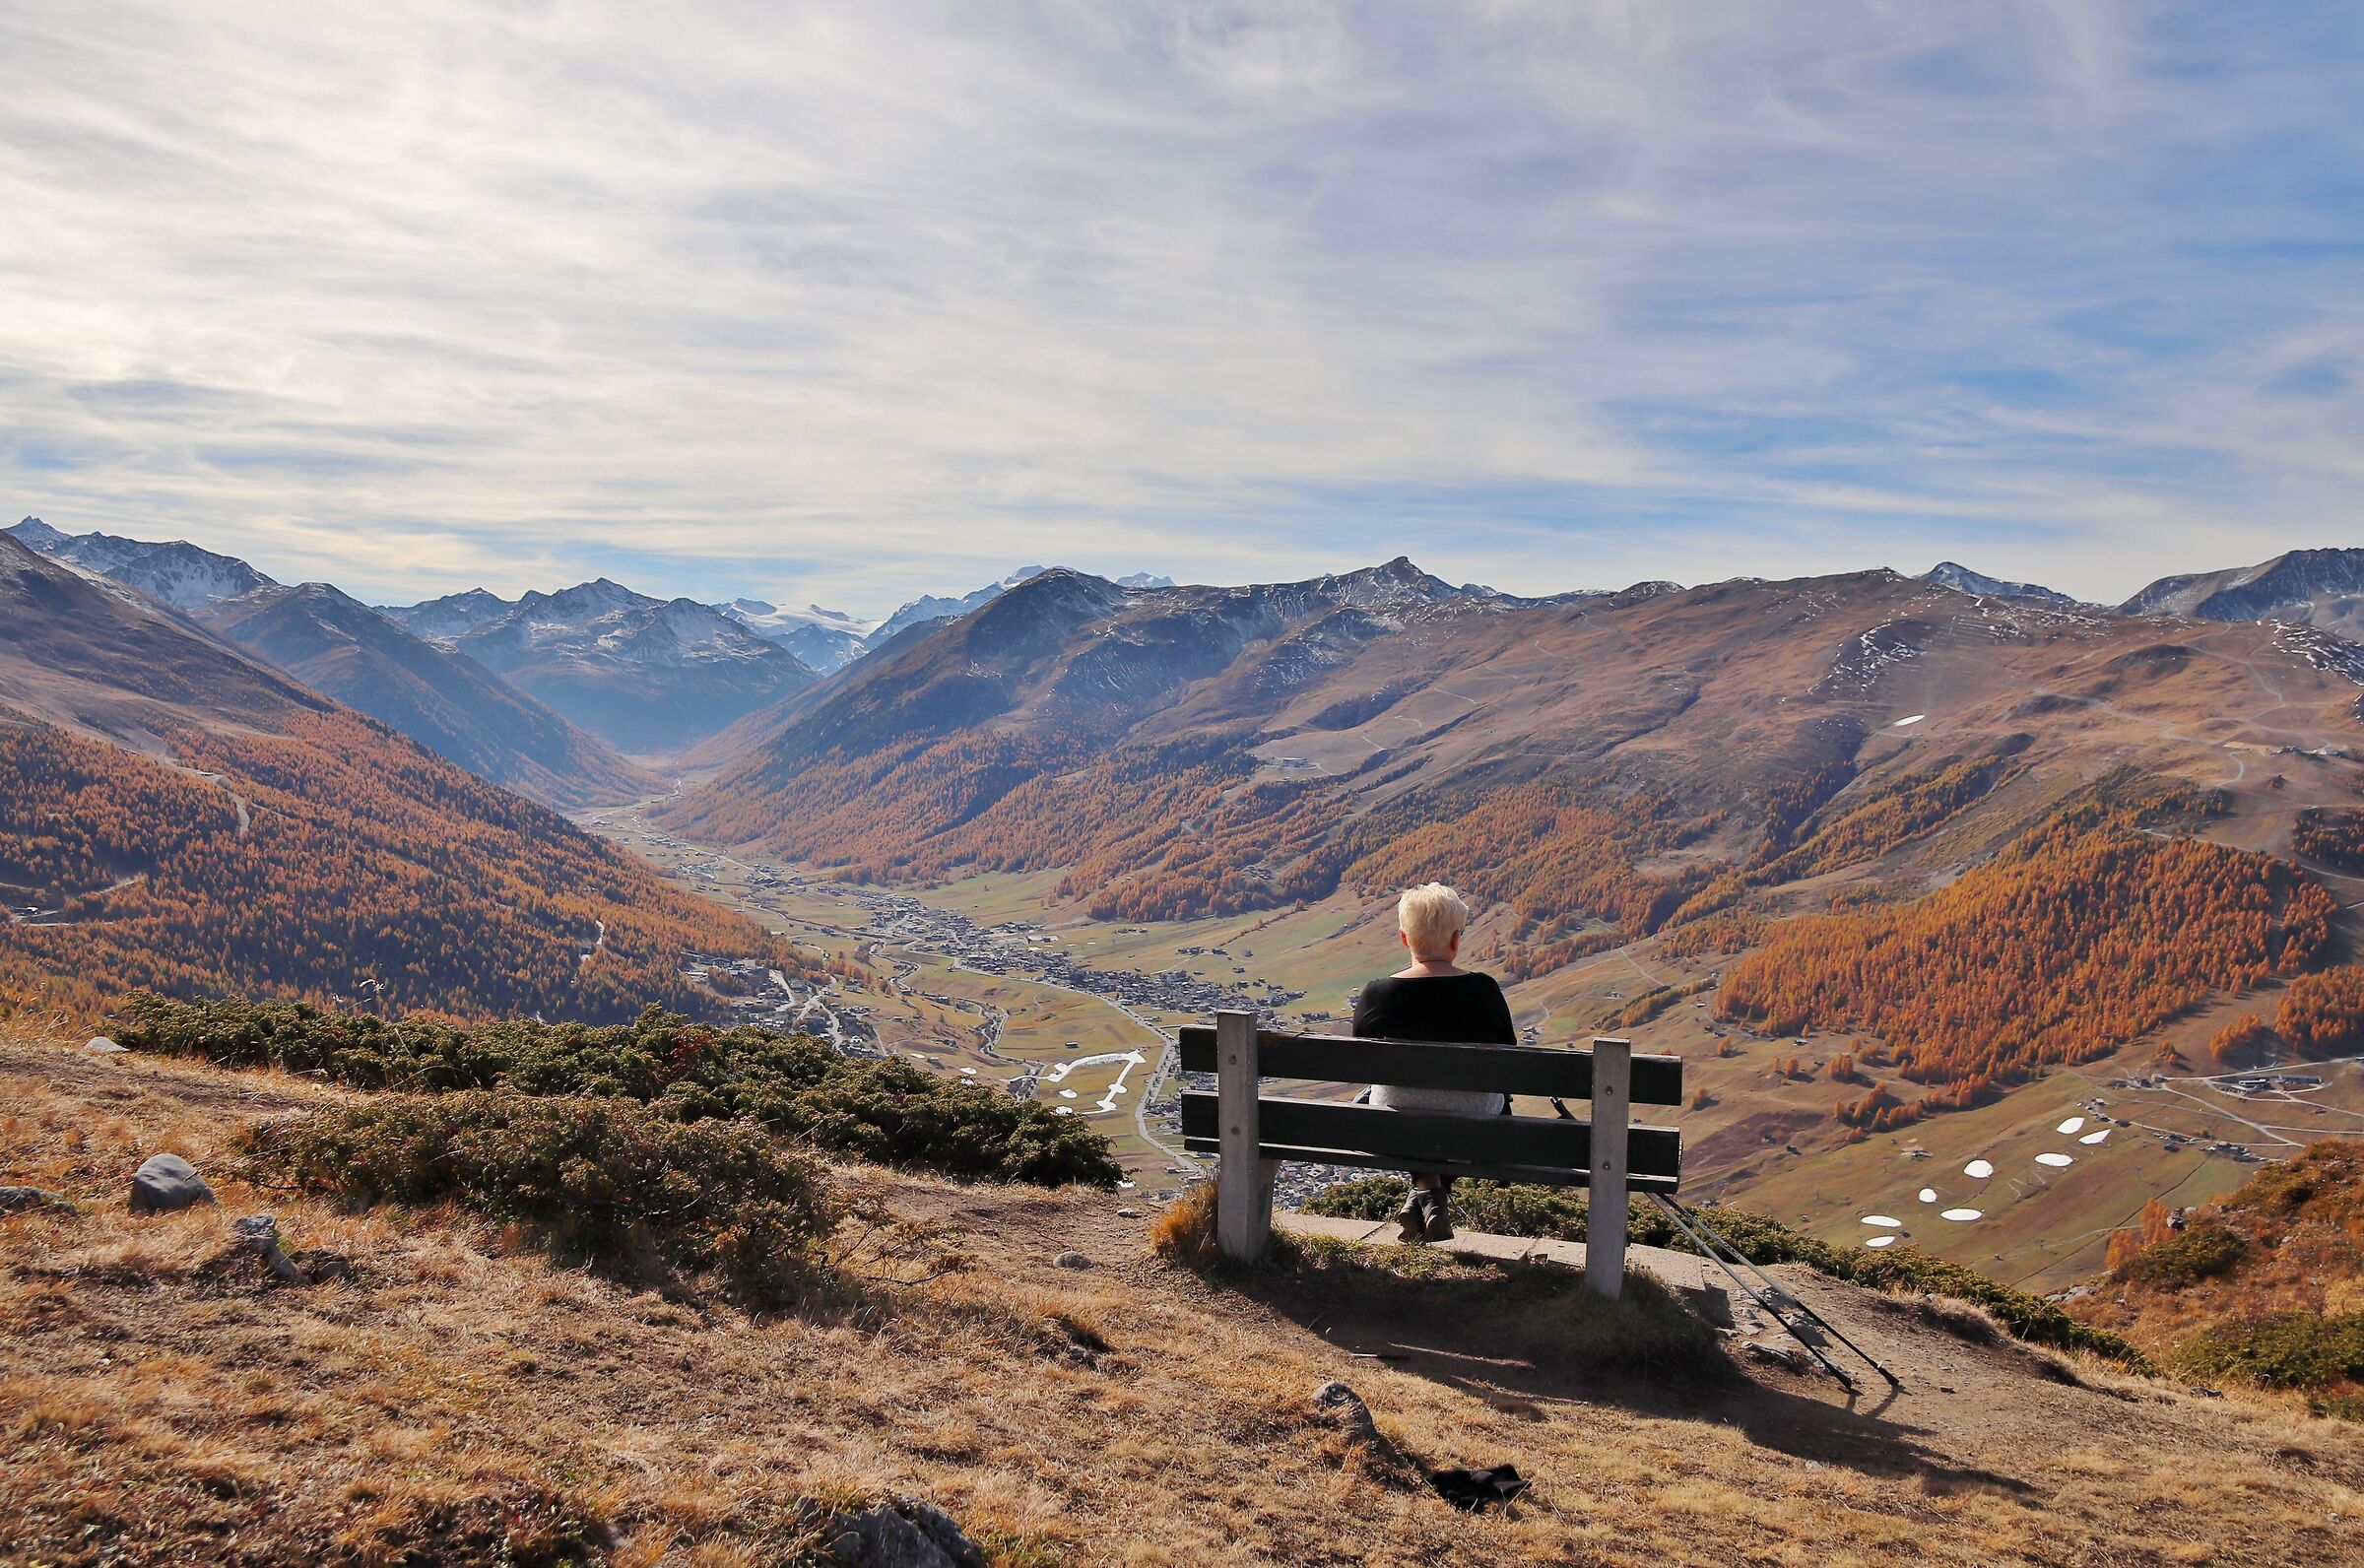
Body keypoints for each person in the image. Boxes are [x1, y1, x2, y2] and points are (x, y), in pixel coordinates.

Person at [1351, 882, 1515, 1243]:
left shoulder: (1377, 994)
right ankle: (1432, 1193)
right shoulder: (1485, 990)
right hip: (1474, 1120)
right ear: (1456, 941)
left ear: (1404, 939)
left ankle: (1425, 1189)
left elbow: (1360, 1062)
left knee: (1366, 1100)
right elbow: (1508, 1060)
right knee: (1481, 1104)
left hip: (1396, 1117)